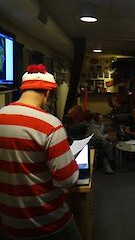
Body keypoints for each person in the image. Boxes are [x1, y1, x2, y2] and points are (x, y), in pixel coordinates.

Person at [0, 64, 82, 240]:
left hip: (9, 223)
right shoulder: (50, 125)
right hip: (48, 223)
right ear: (47, 94)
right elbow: (67, 179)